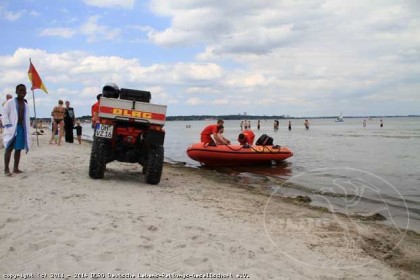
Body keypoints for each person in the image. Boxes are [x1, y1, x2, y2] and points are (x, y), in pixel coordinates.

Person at [2, 84, 31, 176]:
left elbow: (26, 118)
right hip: (12, 128)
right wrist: (7, 124)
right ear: (16, 92)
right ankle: (6, 169)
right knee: (9, 148)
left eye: (24, 91)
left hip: (21, 128)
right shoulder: (10, 102)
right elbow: (4, 113)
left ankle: (16, 168)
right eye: (20, 90)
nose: (22, 92)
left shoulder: (26, 104)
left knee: (18, 149)